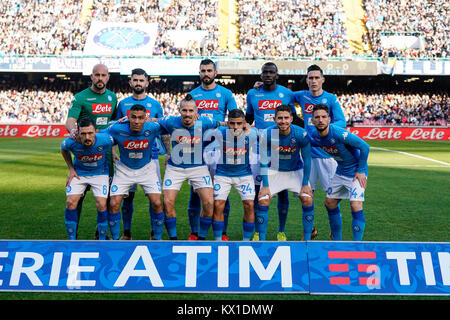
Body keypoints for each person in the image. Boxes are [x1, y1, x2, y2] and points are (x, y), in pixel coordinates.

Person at [245, 62, 303, 241]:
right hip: (259, 148)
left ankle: (281, 230)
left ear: (277, 75)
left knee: (282, 191)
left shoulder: (287, 93)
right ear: (260, 75)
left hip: (282, 146)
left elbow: (295, 118)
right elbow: (248, 118)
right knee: (258, 191)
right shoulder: (252, 93)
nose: (268, 75)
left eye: (271, 72)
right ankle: (257, 230)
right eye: (265, 72)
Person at [158, 94, 224, 240]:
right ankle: (173, 240)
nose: (187, 114)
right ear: (179, 110)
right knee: (167, 202)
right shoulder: (171, 121)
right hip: (175, 168)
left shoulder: (206, 122)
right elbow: (153, 121)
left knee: (208, 203)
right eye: (184, 110)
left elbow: (222, 124)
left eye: (190, 111)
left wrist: (244, 126)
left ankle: (201, 238)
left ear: (196, 112)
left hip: (198, 167)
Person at [187, 59, 238, 241]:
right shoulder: (192, 95)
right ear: (199, 73)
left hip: (219, 148)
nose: (206, 73)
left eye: (209, 70)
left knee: (221, 190)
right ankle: (194, 233)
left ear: (215, 73)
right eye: (203, 70)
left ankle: (222, 232)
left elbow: (234, 118)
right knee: (195, 190)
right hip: (197, 147)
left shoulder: (225, 94)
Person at [65, 63, 118, 239]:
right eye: (97, 75)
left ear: (108, 77)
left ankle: (100, 233)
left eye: (103, 75)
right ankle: (74, 233)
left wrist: (114, 150)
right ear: (92, 77)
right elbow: (71, 120)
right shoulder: (80, 98)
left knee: (107, 196)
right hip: (84, 151)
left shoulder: (112, 97)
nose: (100, 78)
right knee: (76, 196)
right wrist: (74, 132)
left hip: (105, 154)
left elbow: (113, 125)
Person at [293, 64, 346, 238]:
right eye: (310, 78)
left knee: (332, 198)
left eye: (317, 78)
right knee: (306, 196)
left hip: (328, 156)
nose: (314, 81)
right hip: (307, 156)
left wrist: (323, 129)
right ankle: (310, 231)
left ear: (323, 79)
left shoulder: (331, 99)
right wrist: (259, 85)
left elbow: (342, 122)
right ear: (306, 80)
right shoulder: (300, 96)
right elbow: (283, 96)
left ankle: (335, 234)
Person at [115, 68, 166, 240]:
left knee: (155, 198)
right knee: (127, 198)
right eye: (135, 80)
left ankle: (154, 233)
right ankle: (127, 233)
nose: (138, 83)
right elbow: (115, 128)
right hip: (127, 158)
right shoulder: (123, 104)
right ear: (130, 82)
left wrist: (167, 153)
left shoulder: (155, 104)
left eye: (141, 80)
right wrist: (114, 151)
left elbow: (164, 127)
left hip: (151, 156)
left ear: (146, 82)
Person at [104, 104, 165, 240]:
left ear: (146, 119)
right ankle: (115, 240)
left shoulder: (153, 127)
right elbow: (99, 133)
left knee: (156, 203)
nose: (137, 121)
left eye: (141, 118)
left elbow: (170, 122)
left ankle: (157, 238)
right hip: (124, 169)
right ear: (128, 117)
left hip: (147, 169)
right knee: (114, 203)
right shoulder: (117, 128)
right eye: (134, 117)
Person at [310, 104, 370, 241]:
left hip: (356, 173)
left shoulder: (340, 134)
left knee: (355, 204)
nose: (320, 120)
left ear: (329, 119)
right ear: (312, 120)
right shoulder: (314, 135)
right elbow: (309, 143)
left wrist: (361, 170)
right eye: (317, 117)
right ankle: (337, 240)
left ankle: (357, 245)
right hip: (340, 171)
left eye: (324, 117)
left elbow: (364, 147)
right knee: (329, 203)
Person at [255, 104, 313, 241]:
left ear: (292, 119)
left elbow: (307, 160)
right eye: (279, 118)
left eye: (286, 118)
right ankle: (260, 239)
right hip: (273, 171)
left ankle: (308, 240)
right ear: (274, 119)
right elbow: (263, 161)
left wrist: (305, 184)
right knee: (263, 200)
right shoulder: (267, 134)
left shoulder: (301, 134)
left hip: (295, 171)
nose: (283, 121)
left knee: (307, 198)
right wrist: (266, 185)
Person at [60, 117, 114, 240]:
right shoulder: (71, 142)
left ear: (96, 131)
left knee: (101, 204)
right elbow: (63, 149)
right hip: (79, 173)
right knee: (70, 202)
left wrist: (114, 153)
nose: (87, 137)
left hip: (100, 173)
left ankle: (101, 239)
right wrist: (71, 169)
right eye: (83, 134)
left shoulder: (105, 139)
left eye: (90, 133)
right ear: (78, 132)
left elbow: (115, 143)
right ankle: (72, 239)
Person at [208, 109, 258, 241]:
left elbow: (264, 134)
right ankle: (218, 240)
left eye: (239, 123)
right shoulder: (220, 133)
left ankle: (246, 241)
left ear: (244, 123)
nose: (235, 127)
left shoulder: (252, 134)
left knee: (249, 205)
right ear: (227, 123)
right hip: (222, 174)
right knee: (218, 205)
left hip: (244, 174)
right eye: (232, 123)